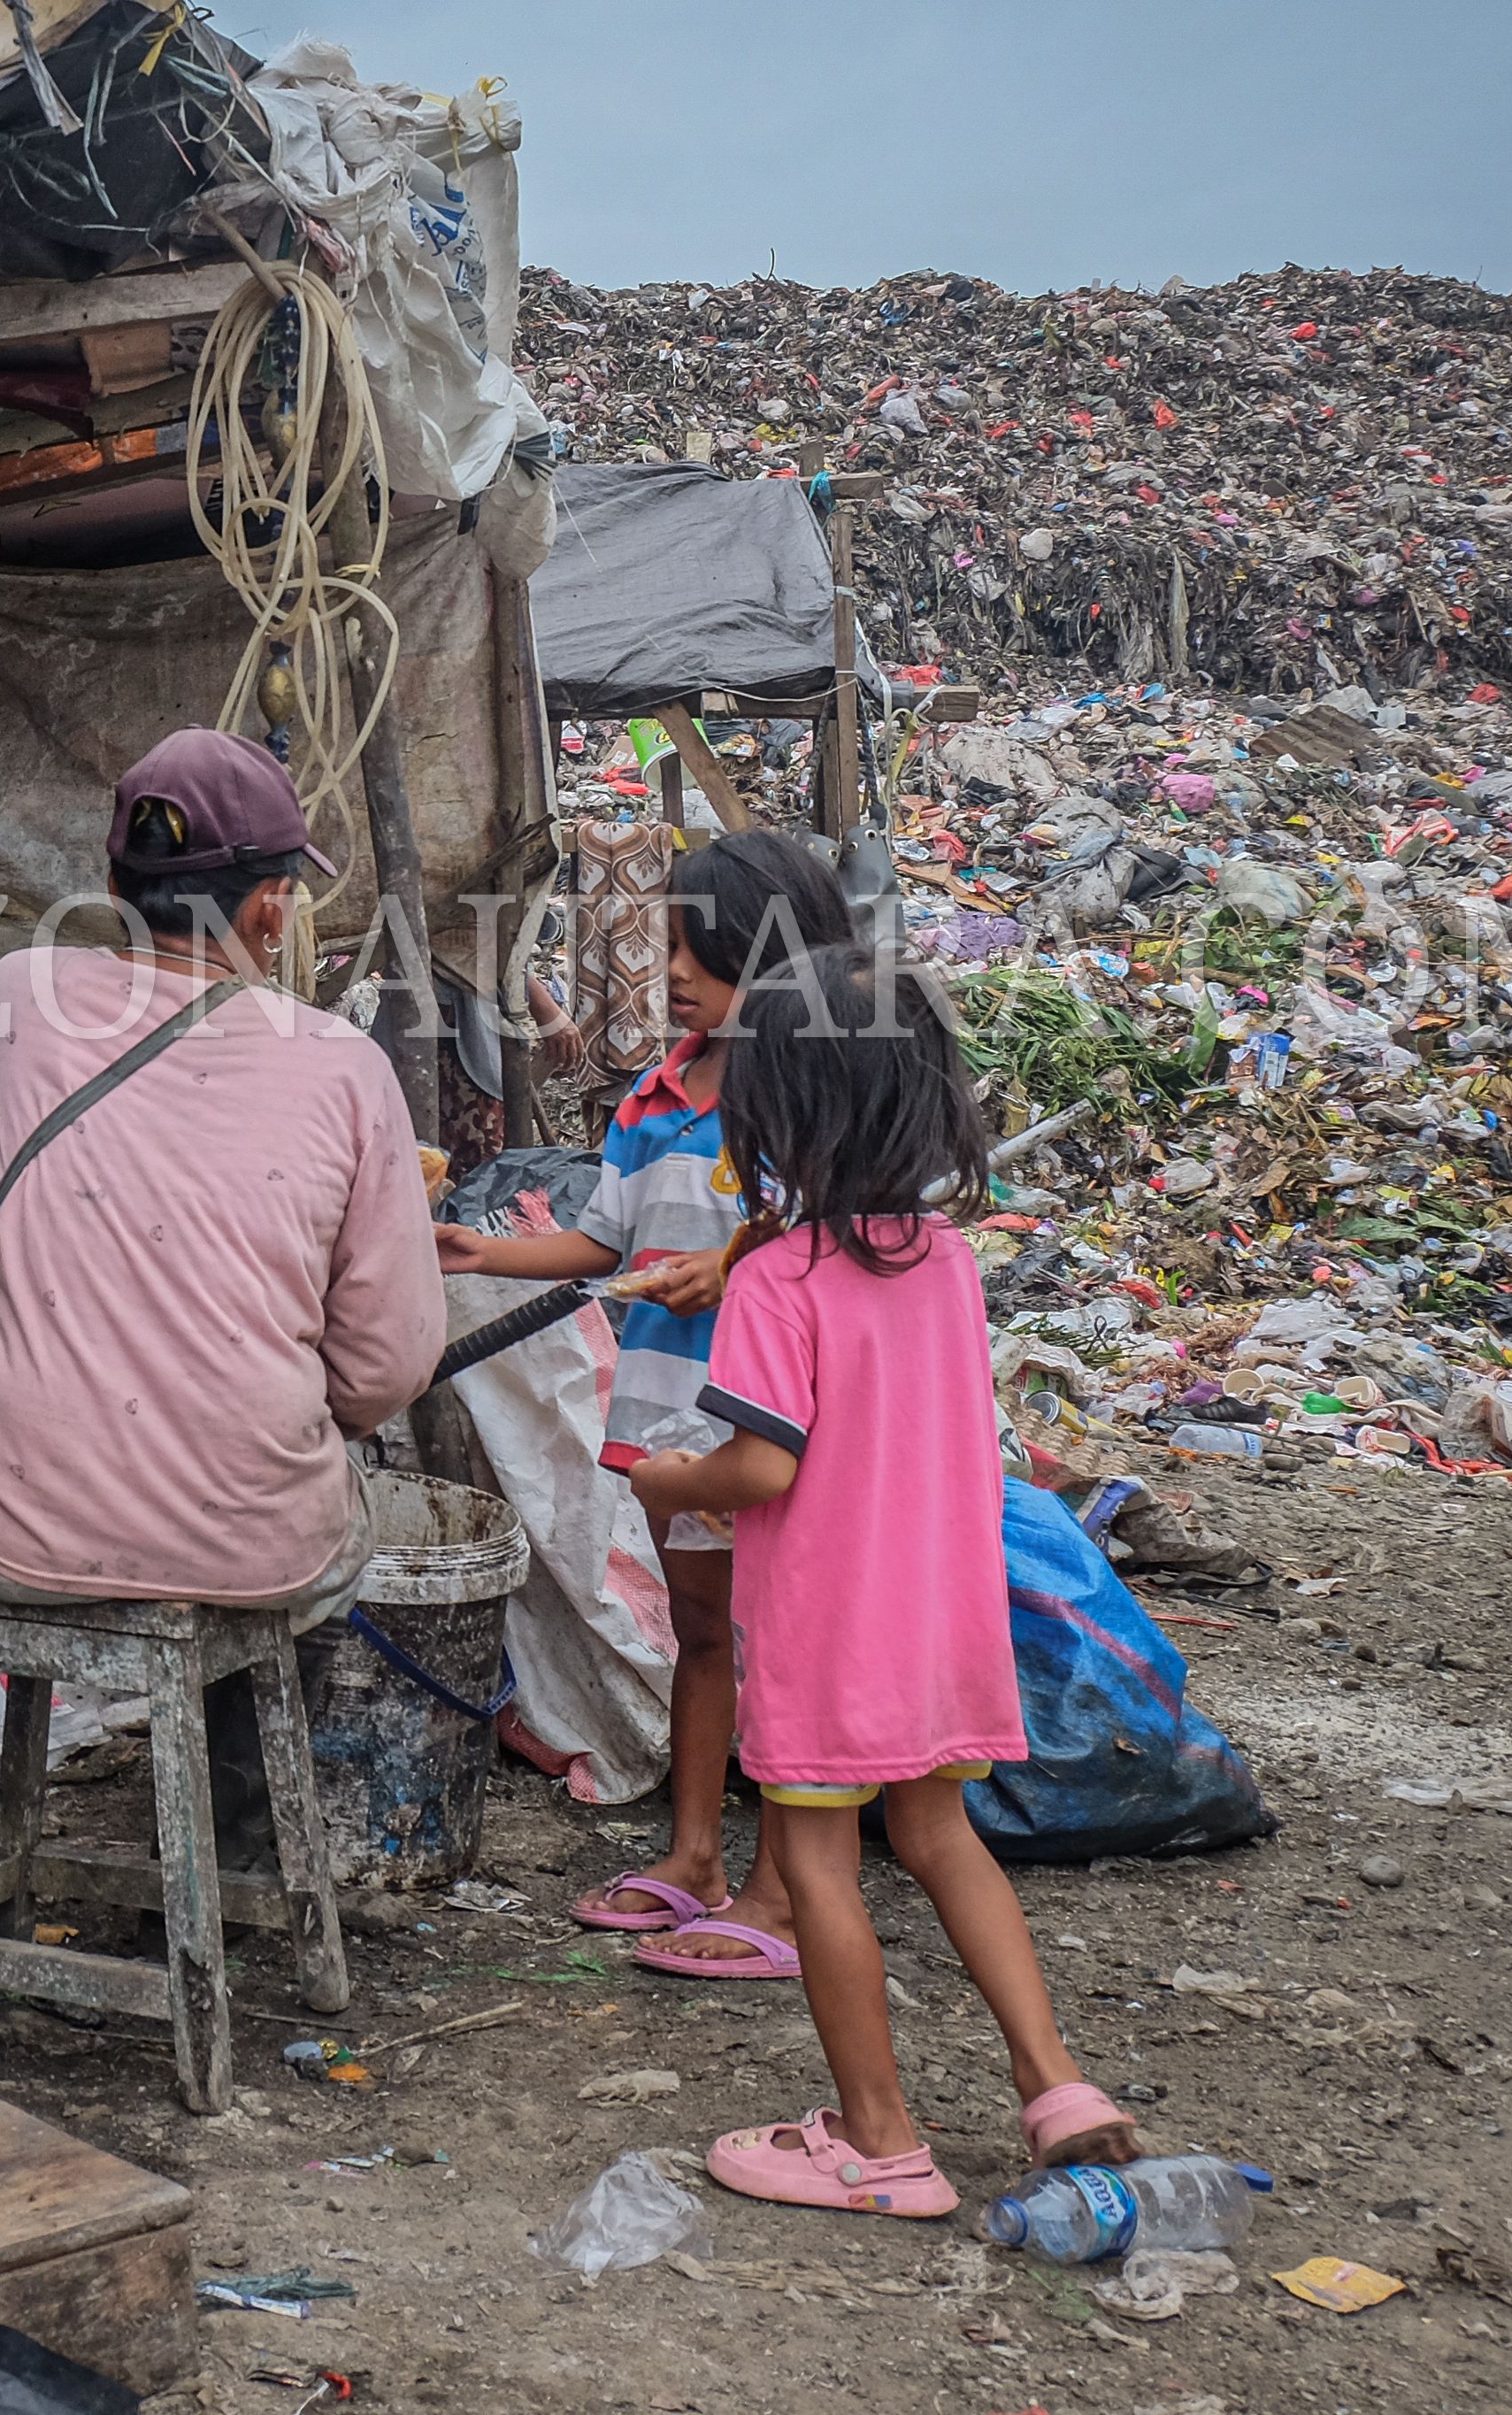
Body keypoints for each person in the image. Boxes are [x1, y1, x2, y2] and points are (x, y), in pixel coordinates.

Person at [0, 727, 442, 1944]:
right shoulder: (346, 1069)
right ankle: (240, 1876)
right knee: (318, 1543)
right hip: (255, 1541)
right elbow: (389, 1365)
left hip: (1, 1523)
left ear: (117, 881)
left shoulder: (18, 997)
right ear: (279, 906)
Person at [627, 943, 1138, 2215]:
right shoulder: (952, 1263)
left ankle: (881, 2141)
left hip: (827, 1630)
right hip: (944, 1620)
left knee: (817, 1866)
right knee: (941, 1836)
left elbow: (760, 1469)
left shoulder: (776, 1280)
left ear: (776, 1114)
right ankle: (1057, 2083)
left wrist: (665, 1482)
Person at [435, 832, 850, 1980]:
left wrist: (735, 1266)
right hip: (672, 1420)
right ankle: (699, 1856)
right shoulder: (656, 1096)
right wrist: (486, 1255)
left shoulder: (803, 1095)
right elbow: (604, 1241)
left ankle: (784, 1883)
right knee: (704, 1637)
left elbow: (825, 1237)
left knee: (781, 1646)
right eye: (669, 946)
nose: (670, 972)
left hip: (771, 1425)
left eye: (698, 952)